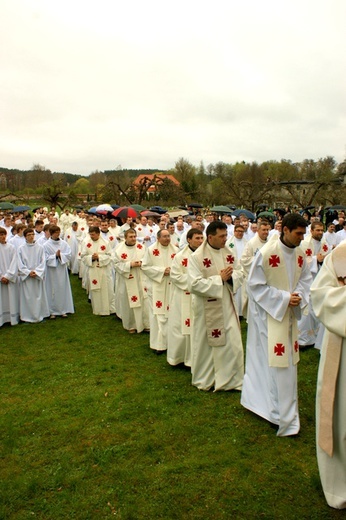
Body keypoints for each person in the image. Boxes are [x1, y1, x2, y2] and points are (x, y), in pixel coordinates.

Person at [241, 213, 312, 436]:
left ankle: (279, 410)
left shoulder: (300, 255)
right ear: (286, 231)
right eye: (298, 233)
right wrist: (283, 298)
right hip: (267, 318)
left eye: (304, 233)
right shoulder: (267, 253)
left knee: (285, 365)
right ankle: (275, 412)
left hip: (288, 316)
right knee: (273, 365)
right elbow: (254, 286)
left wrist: (299, 295)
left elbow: (305, 281)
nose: (302, 238)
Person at [187, 221, 244, 391]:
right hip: (206, 309)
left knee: (232, 341)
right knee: (207, 345)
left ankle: (232, 379)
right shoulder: (196, 257)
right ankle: (208, 378)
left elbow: (240, 272)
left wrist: (232, 277)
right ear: (210, 237)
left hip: (226, 304)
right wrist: (219, 279)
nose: (225, 239)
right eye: (222, 236)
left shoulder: (229, 253)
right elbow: (194, 284)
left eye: (226, 235)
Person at [311, 240, 346, 509]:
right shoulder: (342, 253)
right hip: (343, 353)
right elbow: (320, 295)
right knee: (341, 419)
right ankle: (340, 486)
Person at [167, 228, 204, 367]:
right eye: (197, 238)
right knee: (180, 327)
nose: (200, 241)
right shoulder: (180, 256)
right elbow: (175, 276)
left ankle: (196, 358)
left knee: (197, 326)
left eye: (202, 238)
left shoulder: (205, 255)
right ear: (189, 240)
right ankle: (179, 357)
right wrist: (195, 282)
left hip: (199, 295)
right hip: (183, 295)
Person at [141, 229, 178, 353]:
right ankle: (159, 344)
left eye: (168, 236)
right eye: (164, 236)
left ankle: (171, 343)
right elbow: (145, 266)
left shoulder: (176, 250)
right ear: (158, 238)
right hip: (157, 286)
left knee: (171, 314)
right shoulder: (151, 250)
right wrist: (162, 271)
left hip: (172, 286)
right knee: (157, 315)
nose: (167, 238)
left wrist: (172, 271)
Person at [298, 221, 330, 348]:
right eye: (318, 230)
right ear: (311, 231)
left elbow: (328, 256)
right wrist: (316, 259)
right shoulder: (304, 244)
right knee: (307, 308)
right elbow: (300, 261)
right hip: (307, 279)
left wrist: (322, 259)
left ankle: (315, 337)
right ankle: (303, 339)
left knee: (317, 307)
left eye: (322, 230)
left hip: (320, 279)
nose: (320, 232)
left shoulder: (324, 243)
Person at [113, 229, 149, 334]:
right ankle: (131, 325)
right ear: (125, 237)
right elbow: (116, 264)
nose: (133, 239)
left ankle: (145, 324)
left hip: (141, 278)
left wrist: (141, 262)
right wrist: (130, 265)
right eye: (131, 237)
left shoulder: (141, 247)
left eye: (134, 236)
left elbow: (148, 260)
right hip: (127, 278)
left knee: (143, 300)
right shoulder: (119, 249)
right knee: (129, 301)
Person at [80, 226, 115, 316]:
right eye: (90, 234)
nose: (91, 236)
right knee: (96, 290)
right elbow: (83, 256)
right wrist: (91, 257)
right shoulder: (87, 243)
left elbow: (111, 256)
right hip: (93, 270)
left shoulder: (105, 243)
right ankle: (98, 309)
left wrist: (99, 257)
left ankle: (109, 309)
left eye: (93, 235)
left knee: (107, 289)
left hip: (104, 270)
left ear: (98, 234)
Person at [17, 228, 50, 323]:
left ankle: (40, 314)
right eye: (29, 235)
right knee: (28, 297)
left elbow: (43, 261)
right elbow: (20, 263)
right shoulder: (21, 248)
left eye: (32, 234)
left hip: (36, 276)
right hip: (27, 277)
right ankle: (27, 316)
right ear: (25, 237)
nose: (31, 236)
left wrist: (37, 271)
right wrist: (28, 272)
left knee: (38, 296)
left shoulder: (40, 247)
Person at [43, 225, 74, 319]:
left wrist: (61, 256)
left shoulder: (64, 244)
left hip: (61, 269)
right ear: (51, 233)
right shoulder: (46, 245)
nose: (58, 234)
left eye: (58, 232)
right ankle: (52, 311)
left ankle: (63, 310)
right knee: (52, 289)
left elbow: (69, 254)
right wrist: (55, 256)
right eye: (56, 232)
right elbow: (45, 258)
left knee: (62, 288)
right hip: (52, 271)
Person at [0, 227, 19, 326]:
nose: (3, 236)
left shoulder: (11, 247)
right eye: (1, 235)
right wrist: (1, 277)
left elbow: (14, 262)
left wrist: (8, 276)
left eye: (4, 234)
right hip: (1, 278)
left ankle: (11, 318)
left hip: (9, 278)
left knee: (10, 299)